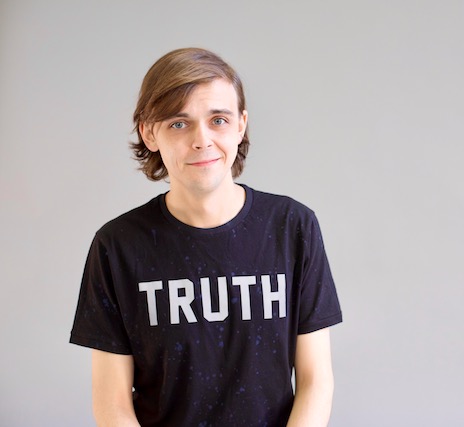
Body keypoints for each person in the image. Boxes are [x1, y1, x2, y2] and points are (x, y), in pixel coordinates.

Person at [70, 47, 342, 427]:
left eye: (218, 120)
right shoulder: (117, 246)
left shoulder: (292, 227)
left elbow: (316, 381)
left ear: (241, 125)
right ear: (149, 133)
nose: (202, 140)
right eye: (178, 124)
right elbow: (111, 402)